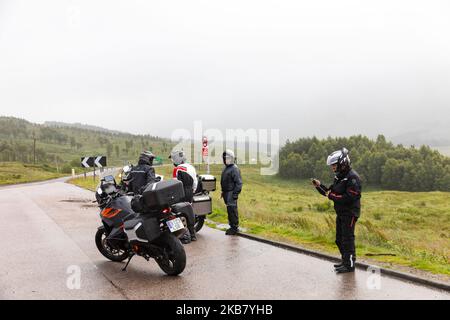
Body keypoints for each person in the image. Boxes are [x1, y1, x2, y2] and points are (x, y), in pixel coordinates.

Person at [312, 148, 362, 274]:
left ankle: (350, 265)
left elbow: (350, 197)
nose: (332, 167)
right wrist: (319, 186)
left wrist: (332, 196)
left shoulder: (352, 178)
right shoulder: (339, 177)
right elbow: (330, 192)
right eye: (332, 165)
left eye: (334, 165)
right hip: (341, 213)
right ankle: (345, 261)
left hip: (350, 213)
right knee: (339, 240)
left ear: (343, 163)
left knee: (347, 239)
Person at [170, 150, 198, 244]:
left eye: (173, 159)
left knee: (174, 213)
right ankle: (193, 235)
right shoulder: (191, 167)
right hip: (190, 192)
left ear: (177, 159)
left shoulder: (177, 169)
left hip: (180, 192)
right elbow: (195, 183)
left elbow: (175, 184)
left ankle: (180, 236)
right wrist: (192, 191)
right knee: (189, 212)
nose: (173, 161)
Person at [220, 149, 243, 236]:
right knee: (229, 210)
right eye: (224, 158)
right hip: (226, 193)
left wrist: (235, 194)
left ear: (231, 158)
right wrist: (223, 191)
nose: (225, 160)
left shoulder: (234, 169)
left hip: (231, 192)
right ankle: (232, 226)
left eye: (227, 158)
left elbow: (239, 183)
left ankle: (234, 228)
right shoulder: (226, 168)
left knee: (232, 210)